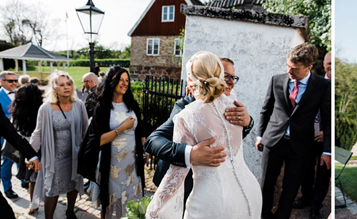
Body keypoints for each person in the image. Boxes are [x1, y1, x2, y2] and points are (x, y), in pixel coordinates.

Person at [145, 51, 263, 219]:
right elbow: (152, 141)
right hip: (202, 188)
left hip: (222, 195)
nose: (230, 83)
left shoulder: (234, 104)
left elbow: (227, 145)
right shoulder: (186, 107)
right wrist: (189, 154)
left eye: (233, 78)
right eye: (226, 76)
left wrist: (249, 122)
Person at [256, 43, 331, 219]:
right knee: (266, 185)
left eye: (294, 69)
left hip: (301, 146)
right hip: (273, 141)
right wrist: (260, 135)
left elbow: (327, 120)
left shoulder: (322, 86)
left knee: (290, 189)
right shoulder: (277, 79)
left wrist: (327, 150)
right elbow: (266, 109)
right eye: (288, 66)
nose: (289, 71)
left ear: (309, 68)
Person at [77, 66, 152, 218]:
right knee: (111, 203)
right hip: (112, 166)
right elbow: (96, 141)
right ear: (112, 82)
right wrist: (122, 128)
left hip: (132, 165)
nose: (125, 83)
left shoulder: (132, 105)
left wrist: (145, 150)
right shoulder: (103, 108)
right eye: (120, 80)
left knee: (132, 203)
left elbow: (140, 130)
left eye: (127, 80)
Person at [29, 71, 88, 219]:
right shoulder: (46, 108)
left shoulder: (79, 105)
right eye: (61, 85)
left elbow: (86, 131)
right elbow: (38, 133)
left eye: (68, 84)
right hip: (54, 158)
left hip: (74, 155)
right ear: (54, 88)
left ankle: (70, 211)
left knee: (73, 184)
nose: (66, 87)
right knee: (52, 189)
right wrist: (30, 154)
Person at [293, 51, 334, 219]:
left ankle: (316, 207)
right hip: (309, 134)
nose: (331, 66)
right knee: (306, 170)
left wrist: (326, 133)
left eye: (334, 63)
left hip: (326, 136)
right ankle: (306, 198)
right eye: (329, 62)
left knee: (323, 173)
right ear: (324, 63)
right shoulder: (314, 82)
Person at [0, 84, 42, 218]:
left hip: (24, 146)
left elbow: (9, 129)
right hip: (20, 146)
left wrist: (31, 155)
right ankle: (9, 188)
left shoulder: (35, 110)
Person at [0, 71, 17, 199]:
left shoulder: (19, 93)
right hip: (5, 134)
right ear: (2, 82)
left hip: (19, 132)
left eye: (15, 80)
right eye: (10, 81)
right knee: (8, 160)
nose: (14, 83)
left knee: (21, 157)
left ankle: (23, 180)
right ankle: (7, 187)